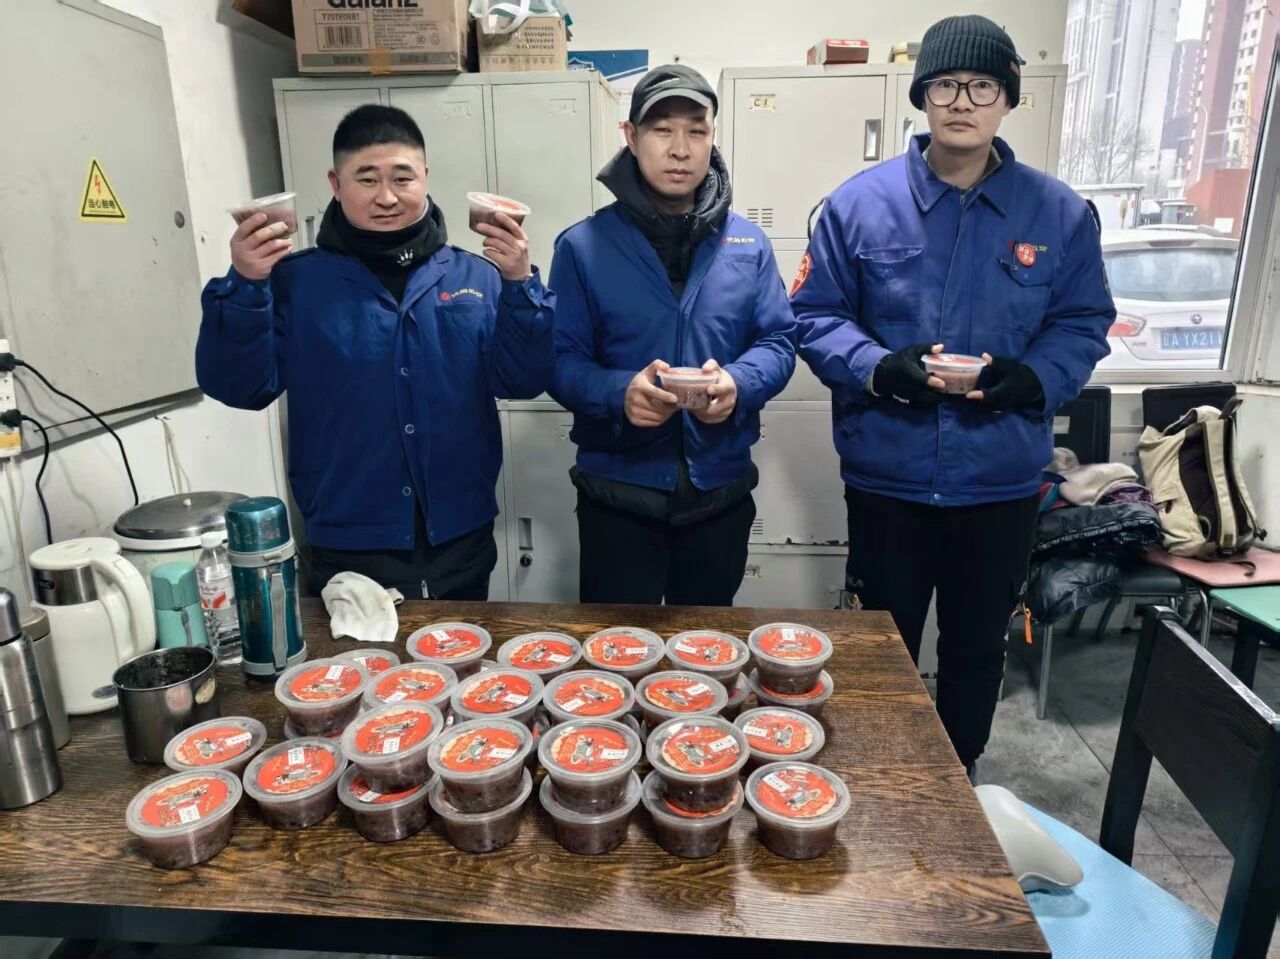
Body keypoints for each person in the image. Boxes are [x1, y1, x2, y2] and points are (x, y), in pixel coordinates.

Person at [790, 16, 1115, 777]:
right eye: (944, 85)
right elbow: (811, 315)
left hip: (999, 484)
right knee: (881, 647)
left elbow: (1083, 321)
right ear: (922, 96)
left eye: (982, 86)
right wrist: (879, 367)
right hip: (889, 480)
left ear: (1008, 99)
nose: (961, 101)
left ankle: (960, 774)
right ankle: (879, 778)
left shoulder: (1059, 214)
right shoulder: (858, 206)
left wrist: (1035, 379)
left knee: (975, 648)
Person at [197, 105, 555, 600]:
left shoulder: (479, 277)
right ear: (335, 183)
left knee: (464, 649)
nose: (386, 197)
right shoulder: (294, 282)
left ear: (425, 177)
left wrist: (519, 284)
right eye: (366, 179)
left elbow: (523, 380)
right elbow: (241, 387)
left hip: (460, 537)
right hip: (349, 543)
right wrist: (245, 285)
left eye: (402, 178)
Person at [550, 65, 796, 606]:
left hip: (720, 496)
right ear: (631, 137)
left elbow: (778, 342)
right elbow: (560, 358)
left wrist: (737, 383)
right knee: (617, 649)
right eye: (662, 130)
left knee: (709, 646)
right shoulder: (582, 246)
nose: (680, 149)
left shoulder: (748, 245)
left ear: (712, 139)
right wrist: (620, 392)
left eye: (696, 131)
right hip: (618, 498)